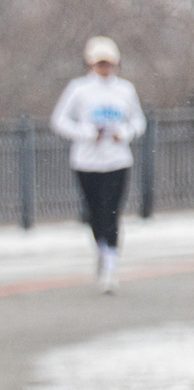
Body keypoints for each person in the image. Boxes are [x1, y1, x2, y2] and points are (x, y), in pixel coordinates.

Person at [50, 36, 145, 294]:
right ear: (91, 63)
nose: (104, 68)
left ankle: (111, 265)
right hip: (87, 161)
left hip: (117, 160)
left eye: (108, 63)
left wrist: (124, 133)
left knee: (112, 211)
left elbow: (138, 121)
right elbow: (59, 120)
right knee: (94, 211)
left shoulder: (125, 90)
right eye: (100, 63)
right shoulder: (79, 89)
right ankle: (101, 250)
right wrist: (86, 133)